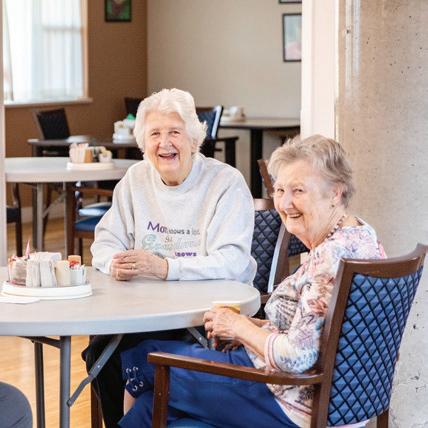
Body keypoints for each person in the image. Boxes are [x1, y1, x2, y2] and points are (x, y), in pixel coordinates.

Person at [118, 135, 386, 428]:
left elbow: (296, 356)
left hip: (286, 399)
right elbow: (319, 332)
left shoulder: (331, 257)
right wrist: (250, 330)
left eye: (298, 190)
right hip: (332, 400)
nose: (284, 203)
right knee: (153, 405)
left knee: (147, 357)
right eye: (280, 190)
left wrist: (238, 326)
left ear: (335, 193)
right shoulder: (361, 236)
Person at [84, 88, 256, 427]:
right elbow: (104, 242)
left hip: (204, 315)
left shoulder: (225, 182)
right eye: (155, 134)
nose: (165, 143)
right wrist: (115, 260)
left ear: (193, 139)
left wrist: (165, 268)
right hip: (142, 309)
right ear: (143, 143)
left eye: (175, 132)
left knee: (139, 351)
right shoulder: (135, 179)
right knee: (101, 350)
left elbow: (232, 262)